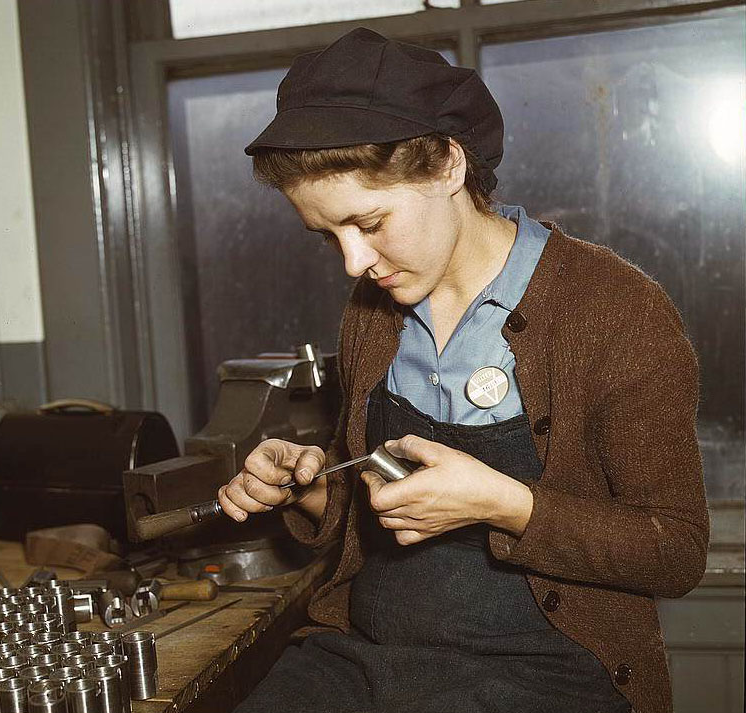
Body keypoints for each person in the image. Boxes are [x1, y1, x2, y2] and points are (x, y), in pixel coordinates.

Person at [217, 28, 708, 713]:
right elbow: (373, 510)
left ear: (447, 166)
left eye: (370, 221)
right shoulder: (374, 310)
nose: (354, 264)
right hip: (371, 658)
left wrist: (503, 502)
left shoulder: (614, 308)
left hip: (549, 672)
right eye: (328, 236)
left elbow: (676, 552)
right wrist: (305, 486)